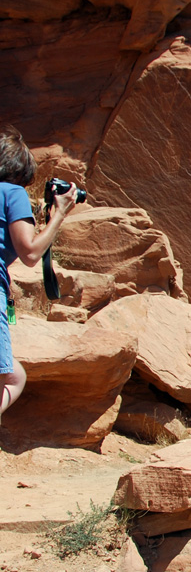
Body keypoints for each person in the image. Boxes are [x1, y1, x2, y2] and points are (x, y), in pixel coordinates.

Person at [0, 126, 79, 424]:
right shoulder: (12, 193)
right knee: (9, 380)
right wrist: (59, 214)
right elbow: (31, 253)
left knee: (13, 374)